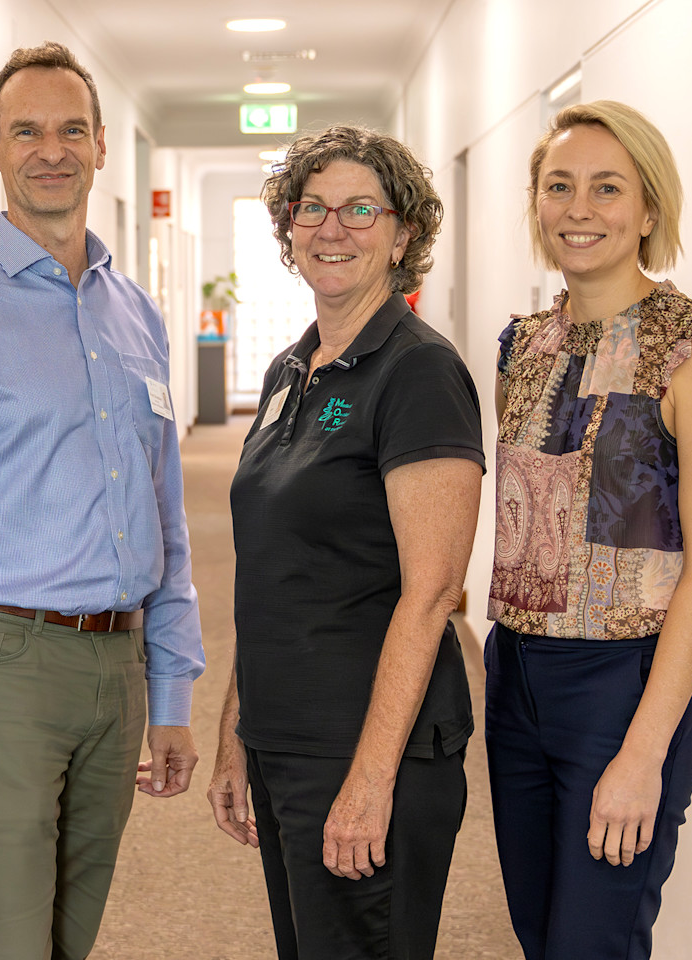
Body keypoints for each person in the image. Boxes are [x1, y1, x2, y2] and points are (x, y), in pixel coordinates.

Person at [0, 41, 205, 960]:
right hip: (0, 667)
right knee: (4, 942)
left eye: (70, 130)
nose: (49, 150)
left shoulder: (135, 313)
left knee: (71, 935)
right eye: (26, 131)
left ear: (101, 145)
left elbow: (164, 513)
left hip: (118, 665)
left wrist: (170, 689)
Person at [485, 100, 692, 959]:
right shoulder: (522, 345)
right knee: (538, 932)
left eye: (608, 188)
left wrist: (645, 746)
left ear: (648, 209)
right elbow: (566, 525)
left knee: (593, 944)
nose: (579, 208)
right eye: (559, 186)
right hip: (515, 672)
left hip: (619, 693)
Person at [208, 125, 485, 959]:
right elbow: (273, 572)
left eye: (360, 209)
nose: (332, 228)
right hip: (287, 739)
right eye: (311, 209)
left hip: (370, 747)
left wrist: (370, 780)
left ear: (404, 233)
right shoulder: (292, 369)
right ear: (288, 230)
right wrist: (236, 730)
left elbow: (432, 592)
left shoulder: (418, 374)